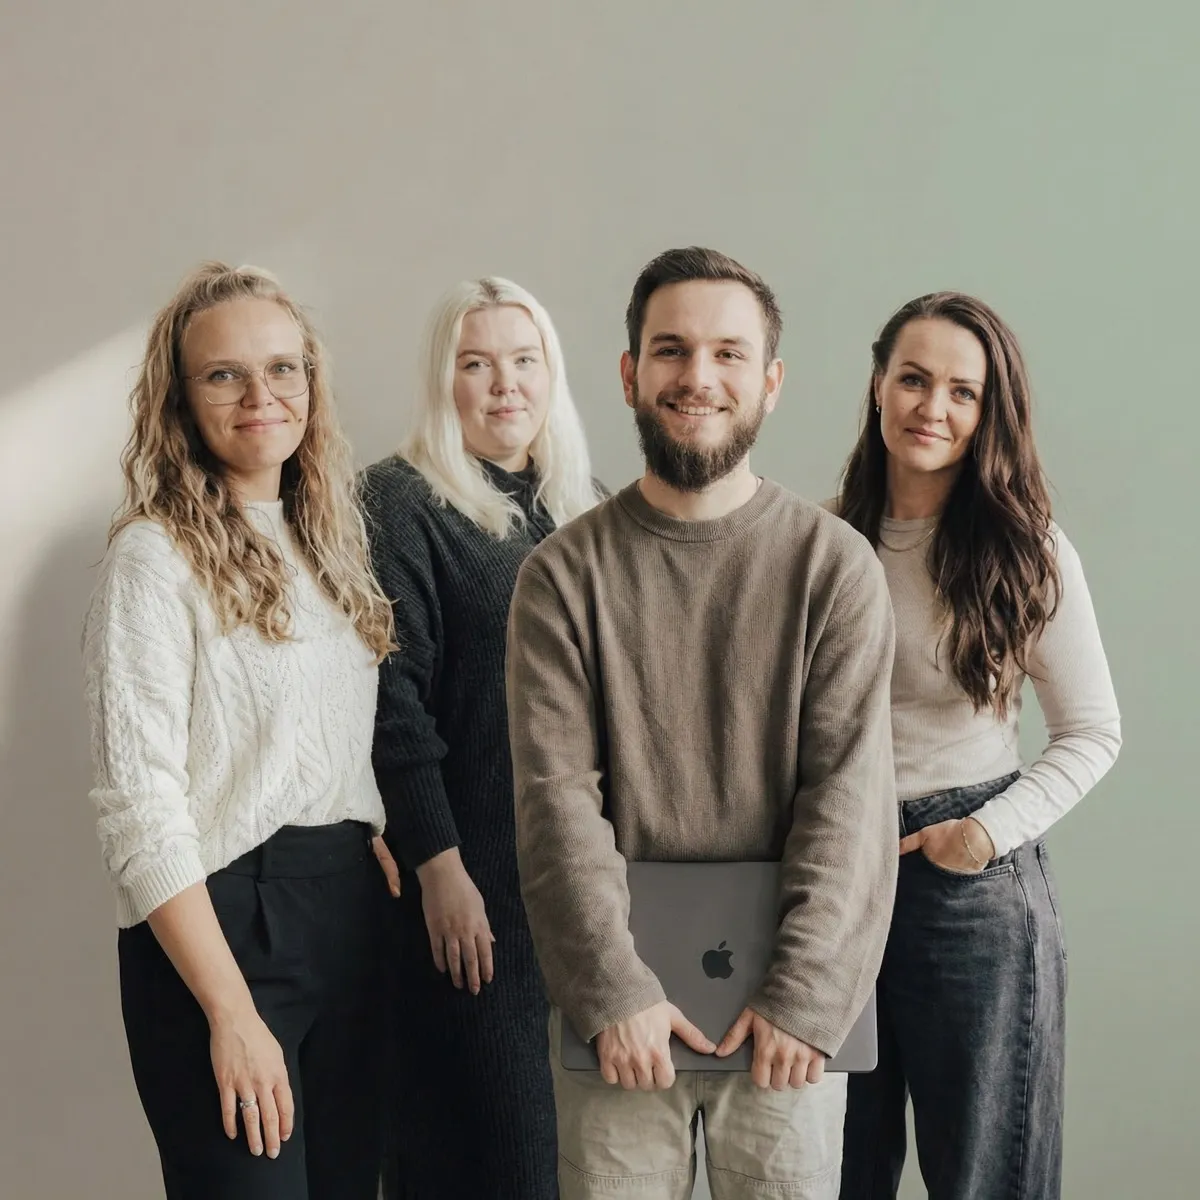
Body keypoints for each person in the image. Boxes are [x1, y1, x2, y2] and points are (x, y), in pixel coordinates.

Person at [504, 246, 900, 1200]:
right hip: (624, 1024)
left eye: (728, 353)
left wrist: (805, 1000)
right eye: (672, 350)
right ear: (631, 374)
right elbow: (556, 803)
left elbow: (849, 800)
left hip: (790, 1028)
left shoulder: (834, 567)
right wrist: (613, 992)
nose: (698, 377)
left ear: (769, 382)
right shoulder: (562, 576)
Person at [81, 262, 397, 1200]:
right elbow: (138, 805)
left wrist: (364, 827)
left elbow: (331, 733)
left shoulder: (331, 543)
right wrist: (228, 1007)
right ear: (180, 400)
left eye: (284, 369)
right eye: (224, 374)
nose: (262, 394)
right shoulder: (151, 558)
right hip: (219, 930)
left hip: (347, 918)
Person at [830, 292, 1122, 1200]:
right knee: (833, 1170)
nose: (933, 407)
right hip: (837, 878)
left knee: (984, 1178)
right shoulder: (825, 537)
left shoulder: (1024, 547)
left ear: (990, 413)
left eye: (964, 391)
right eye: (914, 379)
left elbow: (1092, 731)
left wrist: (981, 836)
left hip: (970, 887)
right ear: (878, 384)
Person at [360, 276, 605, 1199]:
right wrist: (439, 866)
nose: (504, 384)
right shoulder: (400, 502)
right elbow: (391, 699)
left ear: (552, 376)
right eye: (475, 364)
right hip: (473, 899)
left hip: (587, 900)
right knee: (490, 1161)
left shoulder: (594, 509)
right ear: (444, 381)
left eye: (523, 361)